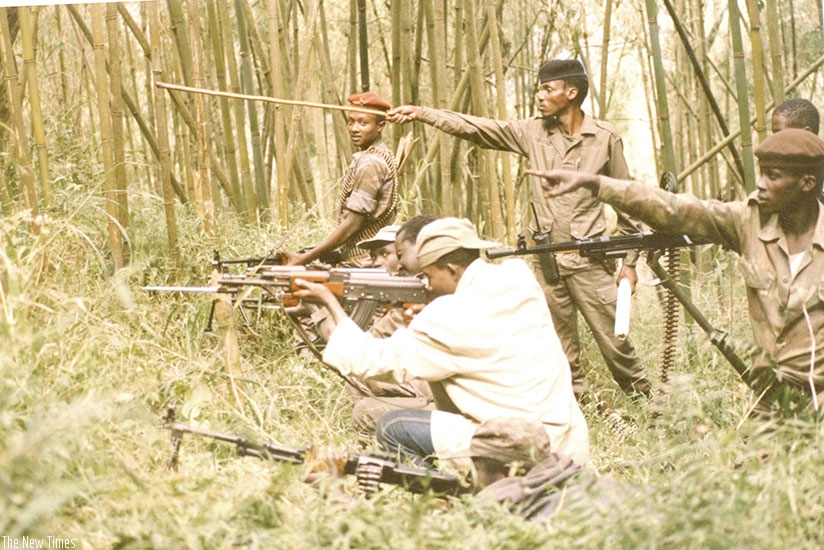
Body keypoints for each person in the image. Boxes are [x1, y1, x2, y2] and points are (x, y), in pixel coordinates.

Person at [388, 58, 650, 400]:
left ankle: (651, 408)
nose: (539, 96)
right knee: (559, 350)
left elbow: (627, 199)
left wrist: (629, 262)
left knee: (617, 345)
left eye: (547, 89)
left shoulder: (604, 138)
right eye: (539, 88)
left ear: (571, 92)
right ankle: (577, 410)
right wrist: (423, 113)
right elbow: (477, 128)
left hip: (588, 262)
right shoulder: (532, 132)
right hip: (546, 264)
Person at [529, 128, 824, 413]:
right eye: (761, 173)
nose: (760, 184)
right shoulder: (749, 221)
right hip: (771, 401)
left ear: (807, 183)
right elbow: (674, 209)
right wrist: (597, 184)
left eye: (773, 176)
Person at [293, 217, 590, 466]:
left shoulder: (448, 315)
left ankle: (442, 496)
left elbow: (367, 361)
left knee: (392, 427)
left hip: (523, 449)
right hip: (567, 442)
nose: (427, 285)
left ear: (451, 268)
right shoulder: (518, 278)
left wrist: (327, 301)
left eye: (428, 276)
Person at [283, 92, 398, 267]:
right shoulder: (380, 155)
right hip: (362, 257)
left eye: (363, 123)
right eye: (351, 121)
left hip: (362, 261)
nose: (354, 128)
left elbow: (352, 224)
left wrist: (306, 258)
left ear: (380, 126)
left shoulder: (370, 163)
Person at [465, 417, 623, 522]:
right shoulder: (593, 486)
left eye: (475, 467)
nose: (468, 478)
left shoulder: (529, 525)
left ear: (511, 472)